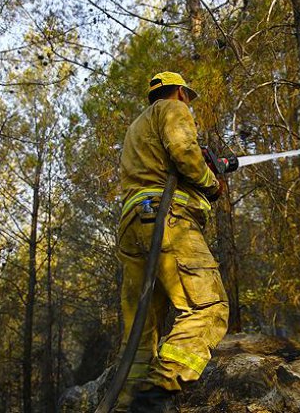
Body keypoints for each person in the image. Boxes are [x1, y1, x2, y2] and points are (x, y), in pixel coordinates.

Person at [115, 71, 229, 412]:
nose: (188, 104)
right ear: (179, 91)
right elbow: (182, 150)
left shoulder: (136, 127)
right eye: (187, 98)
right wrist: (211, 181)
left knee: (140, 331)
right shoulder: (173, 108)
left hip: (134, 223)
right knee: (207, 308)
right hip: (169, 221)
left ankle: (124, 404)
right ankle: (156, 394)